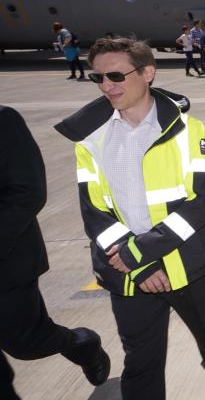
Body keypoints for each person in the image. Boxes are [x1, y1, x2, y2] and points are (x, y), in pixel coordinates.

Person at [53, 38, 205, 400]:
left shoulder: (189, 129)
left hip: (187, 265)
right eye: (99, 78)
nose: (107, 86)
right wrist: (136, 263)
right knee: (141, 362)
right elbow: (94, 213)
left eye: (117, 75)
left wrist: (143, 251)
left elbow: (202, 199)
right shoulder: (90, 141)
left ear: (148, 73)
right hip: (128, 272)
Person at [1, 105, 111, 400]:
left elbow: (28, 192)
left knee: (26, 343)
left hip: (6, 261)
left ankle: (84, 345)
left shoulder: (3, 119)